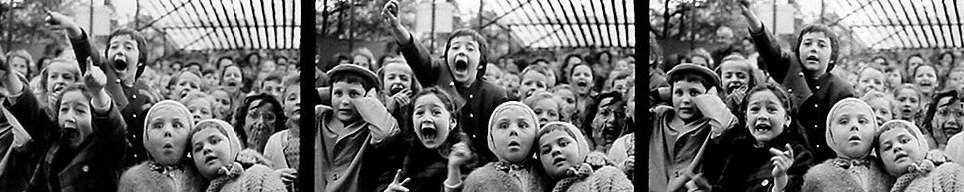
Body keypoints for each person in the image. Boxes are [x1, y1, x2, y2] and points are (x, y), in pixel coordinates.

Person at [384, 0, 508, 163]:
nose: (461, 52)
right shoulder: (436, 74)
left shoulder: (494, 95)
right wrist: (397, 28)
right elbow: (418, 55)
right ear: (446, 56)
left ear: (481, 63)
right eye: (455, 47)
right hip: (437, 165)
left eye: (470, 48)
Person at [741, 0, 855, 163]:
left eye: (821, 45)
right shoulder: (788, 68)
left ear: (832, 56)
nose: (813, 49)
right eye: (807, 43)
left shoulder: (842, 90)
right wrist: (750, 16)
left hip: (827, 162)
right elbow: (769, 47)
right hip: (788, 158)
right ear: (798, 49)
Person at [48, 11, 160, 167]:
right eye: (114, 46)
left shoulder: (149, 93)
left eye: (128, 47)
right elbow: (87, 53)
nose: (120, 51)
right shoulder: (102, 81)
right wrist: (72, 28)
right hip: (103, 168)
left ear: (140, 60)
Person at [0, 57, 127, 191]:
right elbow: (30, 110)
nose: (69, 117)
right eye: (64, 109)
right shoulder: (55, 140)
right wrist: (8, 77)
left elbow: (111, 126)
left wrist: (98, 93)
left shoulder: (106, 148)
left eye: (80, 111)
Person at [704, 84, 812, 192]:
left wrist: (780, 182)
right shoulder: (736, 151)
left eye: (771, 109)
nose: (762, 116)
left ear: (787, 119)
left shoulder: (798, 156)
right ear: (746, 119)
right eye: (755, 109)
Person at [649, 64, 735, 192]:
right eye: (678, 93)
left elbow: (725, 125)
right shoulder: (659, 118)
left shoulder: (710, 124)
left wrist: (711, 97)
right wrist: (661, 92)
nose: (686, 100)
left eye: (694, 93)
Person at [315, 64, 401, 192]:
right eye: (338, 93)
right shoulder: (320, 117)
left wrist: (372, 97)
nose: (345, 101)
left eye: (353, 94)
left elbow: (386, 133)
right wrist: (324, 92)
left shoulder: (370, 125)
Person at [380, 88, 474, 192]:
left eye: (436, 112)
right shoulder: (398, 153)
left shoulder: (463, 155)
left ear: (452, 121)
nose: (427, 119)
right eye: (420, 113)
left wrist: (454, 169)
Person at [452, 102, 551, 192]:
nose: (513, 130)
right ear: (491, 137)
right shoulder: (477, 180)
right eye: (503, 126)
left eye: (523, 125)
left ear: (536, 134)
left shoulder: (548, 172)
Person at [800, 98, 894, 191]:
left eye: (862, 121)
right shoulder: (817, 177)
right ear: (830, 133)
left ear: (874, 130)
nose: (854, 126)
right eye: (844, 122)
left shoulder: (888, 168)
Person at [118, 101, 206, 192]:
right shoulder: (132, 179)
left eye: (177, 125)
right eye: (158, 126)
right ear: (147, 137)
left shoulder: (202, 172)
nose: (167, 131)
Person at [189, 119, 286, 192]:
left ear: (232, 145)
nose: (206, 149)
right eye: (198, 148)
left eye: (214, 141)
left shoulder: (257, 175)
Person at [537, 122, 633, 192]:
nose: (555, 151)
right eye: (546, 151)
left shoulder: (606, 176)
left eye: (563, 144)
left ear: (580, 147)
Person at [874, 120, 964, 192]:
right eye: (888, 147)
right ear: (882, 164)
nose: (897, 147)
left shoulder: (948, 173)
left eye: (904, 141)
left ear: (921, 145)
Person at [263, 74, 304, 191]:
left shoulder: (322, 136)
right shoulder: (274, 141)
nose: (299, 102)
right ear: (284, 110)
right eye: (292, 98)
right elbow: (263, 176)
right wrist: (275, 178)